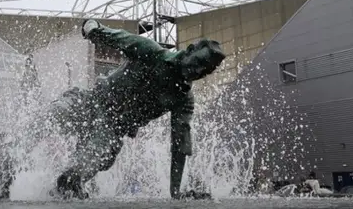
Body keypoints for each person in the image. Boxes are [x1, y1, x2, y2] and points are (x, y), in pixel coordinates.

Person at [48, 19, 226, 199]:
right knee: (50, 116)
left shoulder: (182, 100)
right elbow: (113, 36)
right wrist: (91, 27)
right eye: (198, 62)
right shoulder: (150, 51)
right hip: (91, 102)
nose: (198, 71)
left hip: (112, 129)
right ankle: (18, 159)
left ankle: (69, 184)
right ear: (189, 51)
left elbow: (179, 147)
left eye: (205, 71)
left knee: (86, 165)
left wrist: (175, 193)